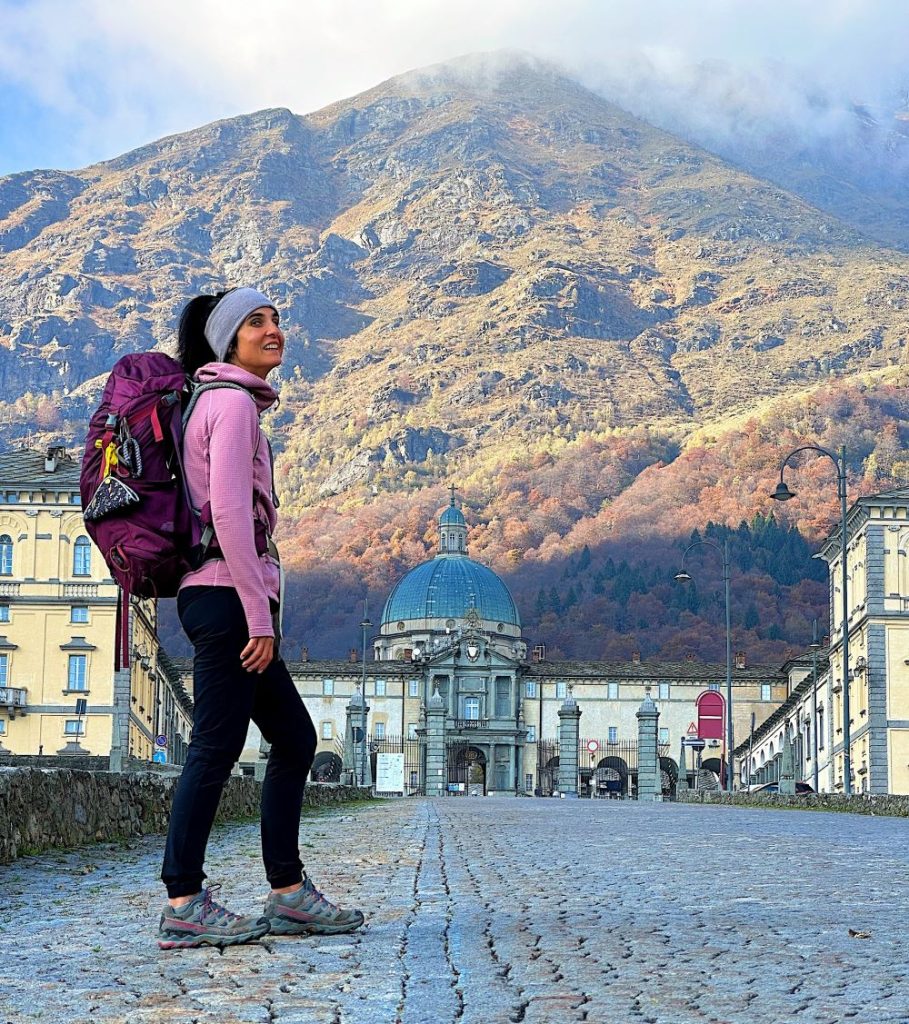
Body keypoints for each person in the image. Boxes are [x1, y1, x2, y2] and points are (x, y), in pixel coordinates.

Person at [157, 286, 364, 949]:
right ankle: (184, 899)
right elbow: (227, 517)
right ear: (228, 342)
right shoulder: (232, 403)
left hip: (220, 595)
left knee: (295, 739)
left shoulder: (214, 401)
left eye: (275, 318)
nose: (273, 329)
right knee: (215, 748)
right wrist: (260, 617)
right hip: (226, 598)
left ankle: (287, 893)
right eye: (255, 322)